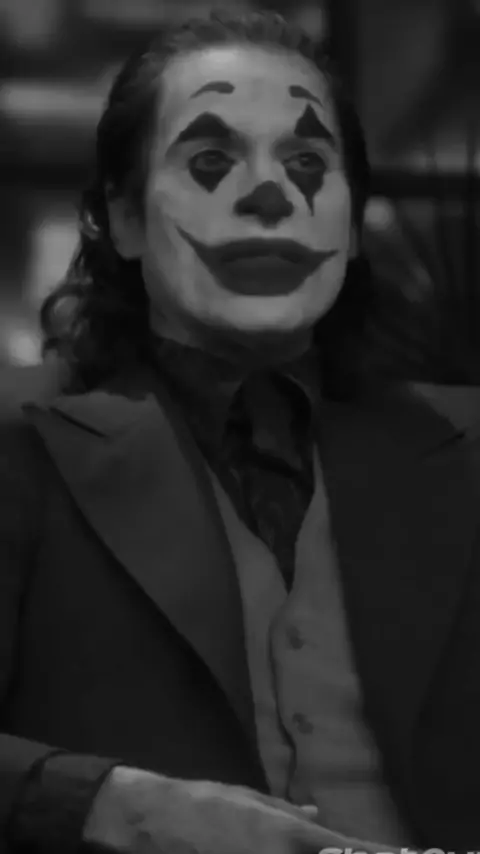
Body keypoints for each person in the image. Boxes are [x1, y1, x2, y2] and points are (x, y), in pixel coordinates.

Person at [1, 10, 480, 854]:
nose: (270, 194)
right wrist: (114, 805)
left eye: (307, 165)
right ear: (123, 217)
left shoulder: (463, 450)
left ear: (349, 227)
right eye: (211, 161)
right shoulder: (19, 441)